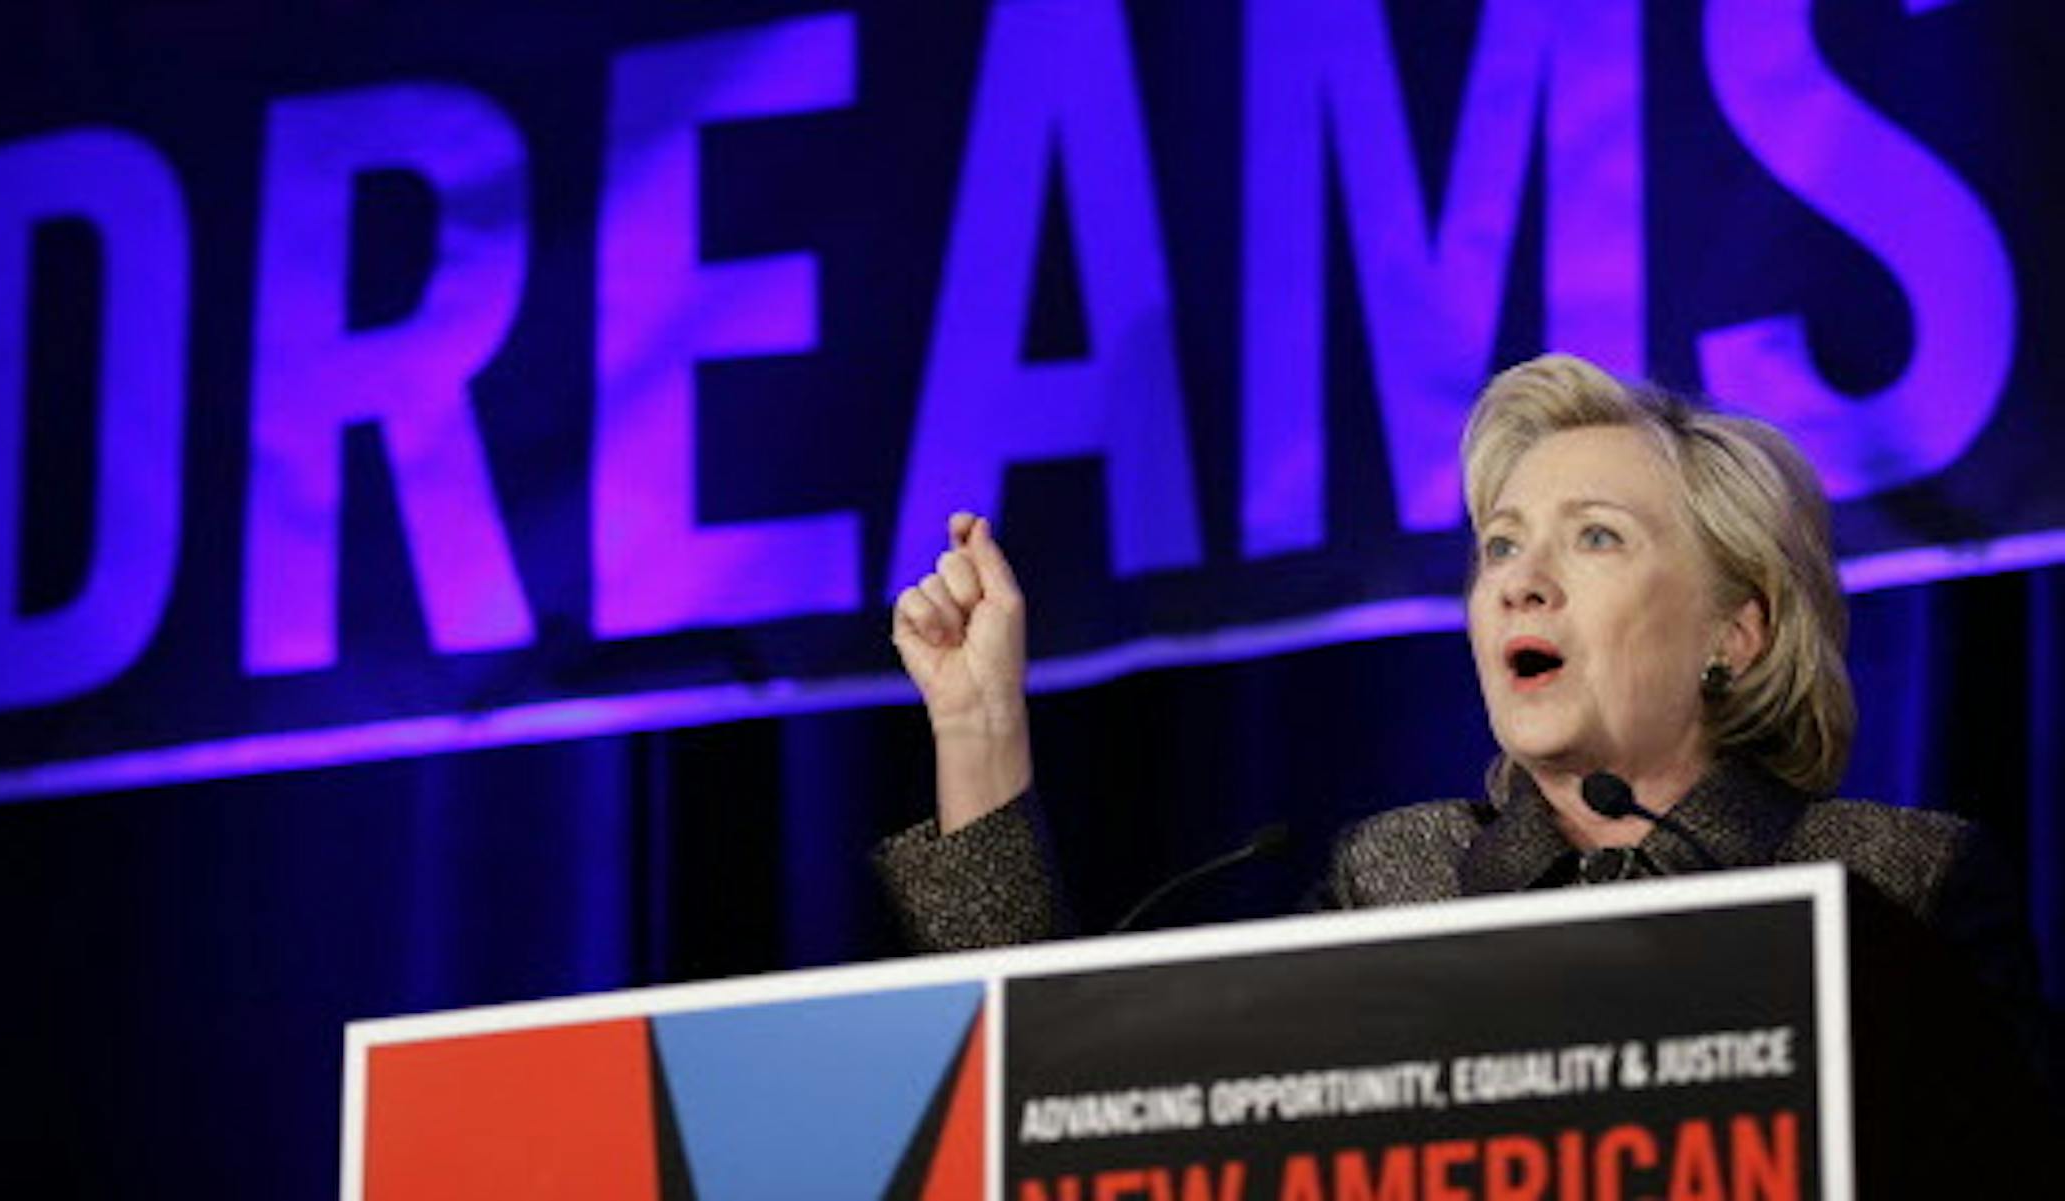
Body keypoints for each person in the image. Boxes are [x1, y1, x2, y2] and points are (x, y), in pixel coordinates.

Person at [872, 353, 2040, 997]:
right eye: (1500, 546)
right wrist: (978, 727)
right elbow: (1072, 1117)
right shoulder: (1401, 883)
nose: (1522, 583)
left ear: (1734, 634)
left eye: (1596, 537)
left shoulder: (1897, 885)